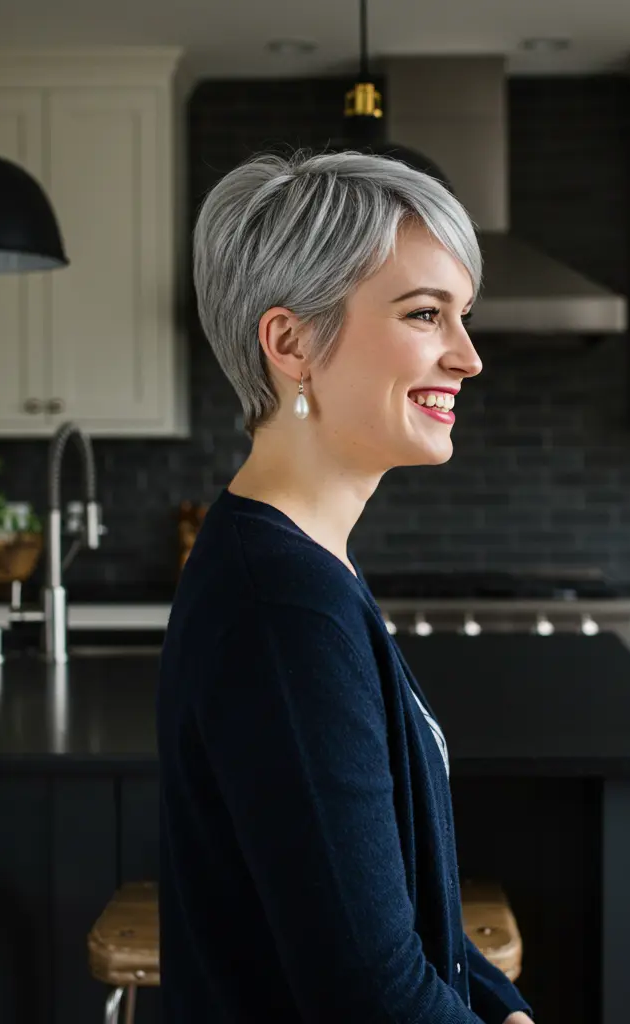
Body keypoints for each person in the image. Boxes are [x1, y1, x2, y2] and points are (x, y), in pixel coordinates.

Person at [156, 149, 535, 1024]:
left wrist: (502, 1007)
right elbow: (370, 996)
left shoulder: (299, 564)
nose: (469, 357)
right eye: (425, 314)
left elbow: (394, 917)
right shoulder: (282, 607)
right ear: (291, 343)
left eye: (461, 315)